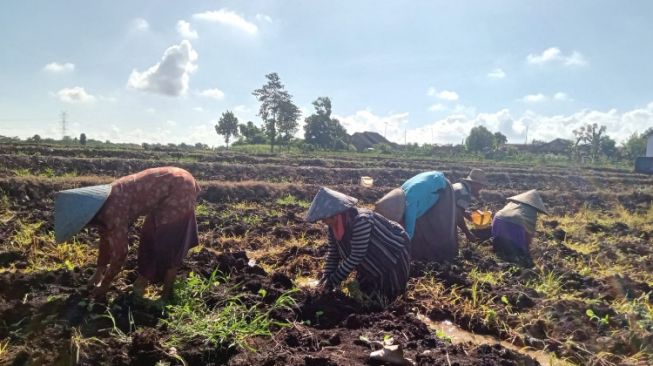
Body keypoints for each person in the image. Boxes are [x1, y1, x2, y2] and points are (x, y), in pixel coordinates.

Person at [54, 167, 201, 299]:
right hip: (172, 184)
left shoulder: (112, 211)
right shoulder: (102, 203)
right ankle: (143, 282)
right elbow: (105, 237)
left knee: (166, 242)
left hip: (180, 188)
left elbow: (121, 253)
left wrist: (105, 284)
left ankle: (165, 295)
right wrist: (98, 272)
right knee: (148, 238)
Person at [305, 187, 411, 302]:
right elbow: (333, 254)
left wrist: (333, 280)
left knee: (390, 296)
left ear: (335, 215)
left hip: (391, 253)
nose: (323, 222)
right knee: (367, 291)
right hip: (370, 256)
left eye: (324, 219)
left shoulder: (361, 221)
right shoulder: (333, 227)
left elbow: (356, 255)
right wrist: (325, 277)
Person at [375, 171, 457, 261]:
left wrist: (397, 248)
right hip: (427, 185)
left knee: (441, 224)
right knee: (420, 223)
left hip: (442, 186)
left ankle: (446, 254)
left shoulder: (411, 206)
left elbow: (408, 235)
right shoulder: (400, 194)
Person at [491, 189, 549, 267]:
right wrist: (527, 248)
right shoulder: (532, 211)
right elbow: (529, 231)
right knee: (520, 253)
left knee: (500, 243)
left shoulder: (512, 203)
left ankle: (499, 249)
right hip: (515, 224)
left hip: (497, 219)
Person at [452, 168, 489, 242]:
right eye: (480, 186)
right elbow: (457, 214)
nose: (480, 189)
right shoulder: (465, 194)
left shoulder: (459, 185)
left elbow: (454, 207)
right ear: (475, 184)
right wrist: (467, 233)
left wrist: (465, 214)